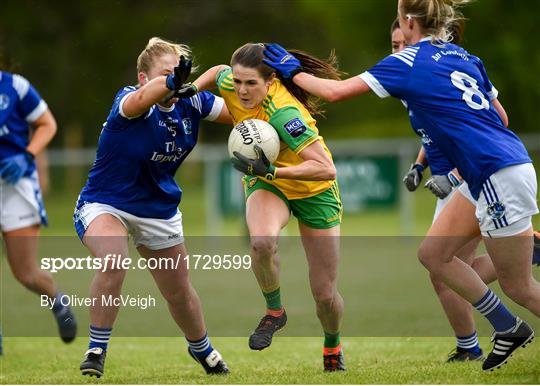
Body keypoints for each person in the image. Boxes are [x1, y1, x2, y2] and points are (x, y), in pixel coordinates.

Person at [263, 0, 539, 372]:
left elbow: (334, 92)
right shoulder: (461, 54)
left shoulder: (406, 62)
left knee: (519, 286)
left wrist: (292, 71)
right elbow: (501, 117)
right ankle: (507, 326)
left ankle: (508, 324)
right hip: (498, 167)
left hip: (494, 174)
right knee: (433, 255)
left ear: (408, 21)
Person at [73, 37, 231, 378]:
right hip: (106, 202)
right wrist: (169, 83)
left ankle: (202, 349)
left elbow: (239, 111)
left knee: (178, 293)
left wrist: (257, 92)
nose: (175, 78)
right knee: (114, 259)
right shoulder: (130, 100)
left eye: (179, 72)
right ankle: (96, 349)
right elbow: (142, 100)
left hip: (158, 208)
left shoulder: (192, 102)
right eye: (165, 73)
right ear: (144, 78)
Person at [182, 43, 345, 371]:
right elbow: (217, 72)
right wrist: (192, 89)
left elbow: (326, 169)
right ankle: (275, 312)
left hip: (314, 189)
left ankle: (332, 344)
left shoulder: (285, 113)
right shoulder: (232, 81)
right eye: (238, 82)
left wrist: (273, 170)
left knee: (324, 295)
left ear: (270, 82)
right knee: (261, 242)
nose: (241, 90)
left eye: (251, 83)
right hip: (268, 182)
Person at [393, 19, 540, 362]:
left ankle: (477, 341)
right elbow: (433, 135)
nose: (399, 51)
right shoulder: (413, 81)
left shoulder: (440, 73)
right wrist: (419, 164)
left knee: (464, 271)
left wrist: (456, 174)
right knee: (441, 264)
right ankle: (474, 342)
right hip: (460, 184)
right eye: (394, 45)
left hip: (474, 180)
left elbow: (493, 123)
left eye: (404, 43)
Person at [0, 65, 77, 354]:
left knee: (26, 273)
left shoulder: (15, 86)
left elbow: (47, 124)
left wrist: (27, 156)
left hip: (15, 185)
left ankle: (57, 300)